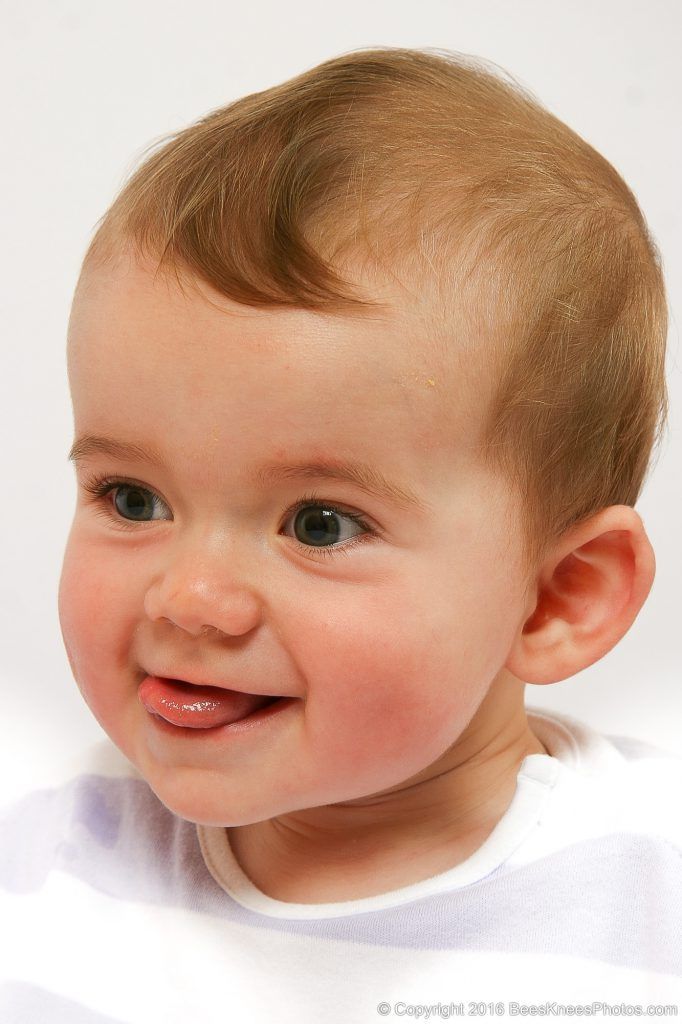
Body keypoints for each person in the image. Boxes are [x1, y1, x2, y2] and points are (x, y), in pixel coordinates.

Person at [1, 46, 680, 1021]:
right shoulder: (38, 878)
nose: (189, 598)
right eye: (132, 498)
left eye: (317, 523)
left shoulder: (650, 895)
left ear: (558, 595)